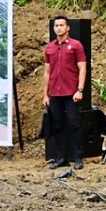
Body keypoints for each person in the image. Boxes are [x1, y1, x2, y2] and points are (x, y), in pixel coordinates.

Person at [43, 15, 88, 170]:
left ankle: (78, 157)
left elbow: (82, 68)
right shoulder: (49, 47)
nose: (59, 28)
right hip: (55, 92)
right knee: (58, 125)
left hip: (71, 92)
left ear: (68, 27)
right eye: (56, 25)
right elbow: (47, 72)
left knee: (74, 123)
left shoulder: (76, 45)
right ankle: (61, 157)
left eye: (62, 25)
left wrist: (80, 89)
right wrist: (45, 94)